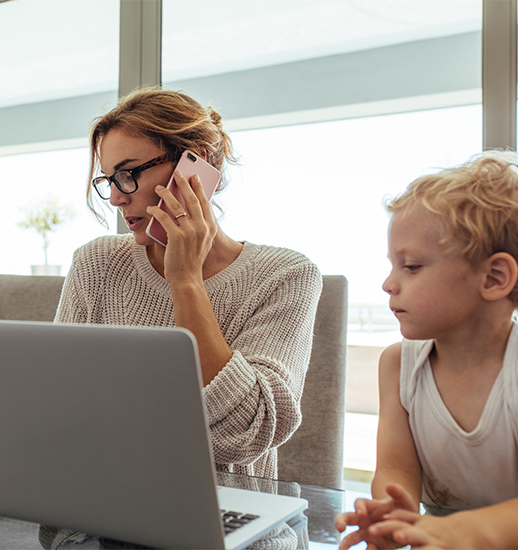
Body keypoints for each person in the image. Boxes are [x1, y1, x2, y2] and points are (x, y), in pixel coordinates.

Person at [55, 87, 322, 479]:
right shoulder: (97, 263)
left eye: (127, 175)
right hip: (105, 496)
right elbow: (59, 404)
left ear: (195, 162)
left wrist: (186, 281)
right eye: (108, 179)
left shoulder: (285, 276)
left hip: (224, 512)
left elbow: (242, 436)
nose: (115, 198)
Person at [335, 150, 518, 550]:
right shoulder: (399, 363)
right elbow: (396, 468)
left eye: (412, 266)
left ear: (494, 277)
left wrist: (448, 532)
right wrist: (392, 512)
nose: (388, 283)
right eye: (392, 265)